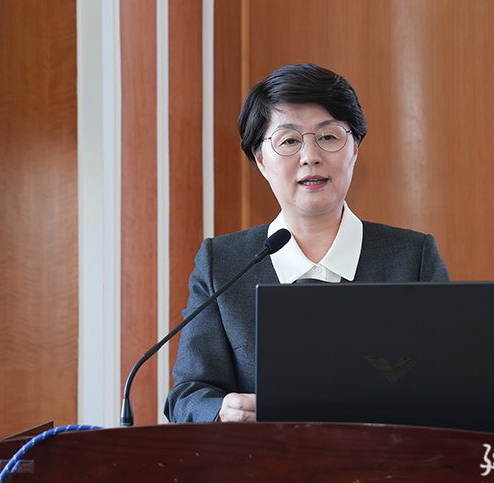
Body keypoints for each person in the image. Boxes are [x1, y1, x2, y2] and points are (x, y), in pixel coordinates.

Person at [164, 63, 449, 423]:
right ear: (260, 159)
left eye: (328, 137)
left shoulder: (413, 259)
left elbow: (449, 383)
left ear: (354, 148)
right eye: (289, 141)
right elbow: (187, 395)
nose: (310, 156)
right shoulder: (223, 265)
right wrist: (222, 411)